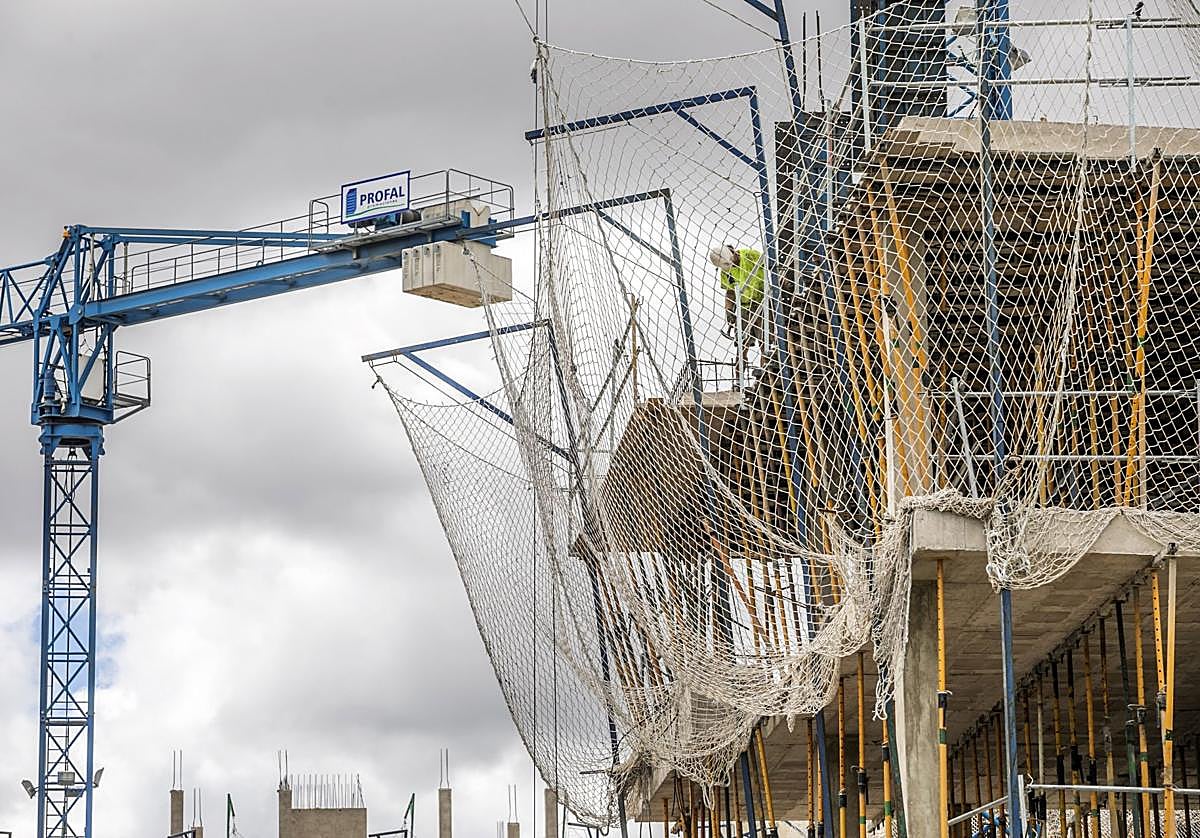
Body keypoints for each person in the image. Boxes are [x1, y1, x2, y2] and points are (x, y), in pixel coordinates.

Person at [708, 244, 766, 358]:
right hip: (743, 306)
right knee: (742, 346)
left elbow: (770, 271)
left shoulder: (751, 255)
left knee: (764, 341)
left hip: (762, 300)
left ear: (733, 253)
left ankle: (767, 367)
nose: (732, 266)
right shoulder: (725, 271)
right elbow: (730, 292)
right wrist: (728, 310)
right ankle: (740, 371)